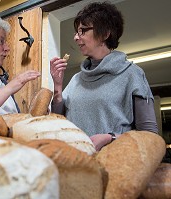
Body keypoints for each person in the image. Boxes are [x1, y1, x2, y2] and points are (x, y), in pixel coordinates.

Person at [50, 1, 158, 151]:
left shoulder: (132, 74)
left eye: (83, 31)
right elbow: (57, 121)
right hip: (76, 165)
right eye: (76, 31)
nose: (75, 37)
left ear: (105, 34)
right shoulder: (76, 79)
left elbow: (150, 136)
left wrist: (110, 138)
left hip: (114, 165)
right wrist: (58, 87)